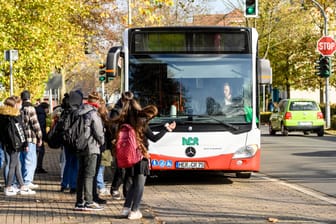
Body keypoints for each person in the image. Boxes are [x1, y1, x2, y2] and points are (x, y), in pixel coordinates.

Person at [113, 91, 176, 220]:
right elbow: (154, 138)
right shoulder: (140, 121)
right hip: (141, 157)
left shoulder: (124, 121)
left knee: (133, 184)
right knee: (140, 185)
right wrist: (167, 129)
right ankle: (134, 210)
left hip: (129, 157)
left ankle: (126, 209)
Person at [74, 90, 105, 211]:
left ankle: (79, 201)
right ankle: (89, 201)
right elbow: (99, 132)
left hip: (80, 145)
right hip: (91, 147)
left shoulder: (80, 111)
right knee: (90, 175)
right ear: (97, 101)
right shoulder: (93, 113)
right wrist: (102, 142)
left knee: (81, 174)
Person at [0, 96, 36, 196]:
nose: (21, 105)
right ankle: (8, 186)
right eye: (19, 103)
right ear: (15, 105)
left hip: (7, 144)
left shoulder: (3, 116)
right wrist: (24, 144)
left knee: (17, 164)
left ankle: (22, 185)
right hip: (15, 144)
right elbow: (20, 132)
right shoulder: (15, 117)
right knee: (13, 165)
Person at [20, 90, 43, 189]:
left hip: (20, 138)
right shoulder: (31, 108)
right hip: (30, 137)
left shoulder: (19, 108)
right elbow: (35, 124)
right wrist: (40, 137)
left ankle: (20, 179)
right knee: (30, 159)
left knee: (21, 159)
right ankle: (27, 180)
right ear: (30, 97)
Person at [35, 102, 49, 174]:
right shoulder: (42, 114)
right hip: (39, 136)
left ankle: (37, 167)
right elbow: (42, 127)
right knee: (40, 152)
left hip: (35, 136)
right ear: (45, 108)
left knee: (37, 152)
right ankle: (38, 167)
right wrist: (45, 137)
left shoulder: (37, 111)